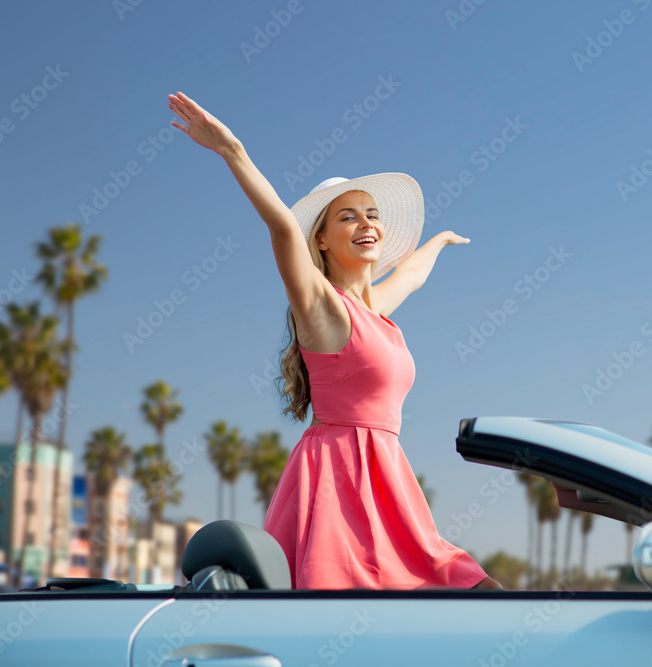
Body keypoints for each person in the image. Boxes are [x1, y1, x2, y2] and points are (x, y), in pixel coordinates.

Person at [167, 91, 502, 590]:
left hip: (386, 479)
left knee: (466, 588)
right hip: (337, 480)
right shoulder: (323, 308)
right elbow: (283, 228)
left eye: (372, 214)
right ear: (321, 240)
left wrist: (440, 240)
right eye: (348, 216)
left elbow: (411, 276)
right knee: (349, 599)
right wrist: (231, 149)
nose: (367, 223)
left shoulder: (374, 310)